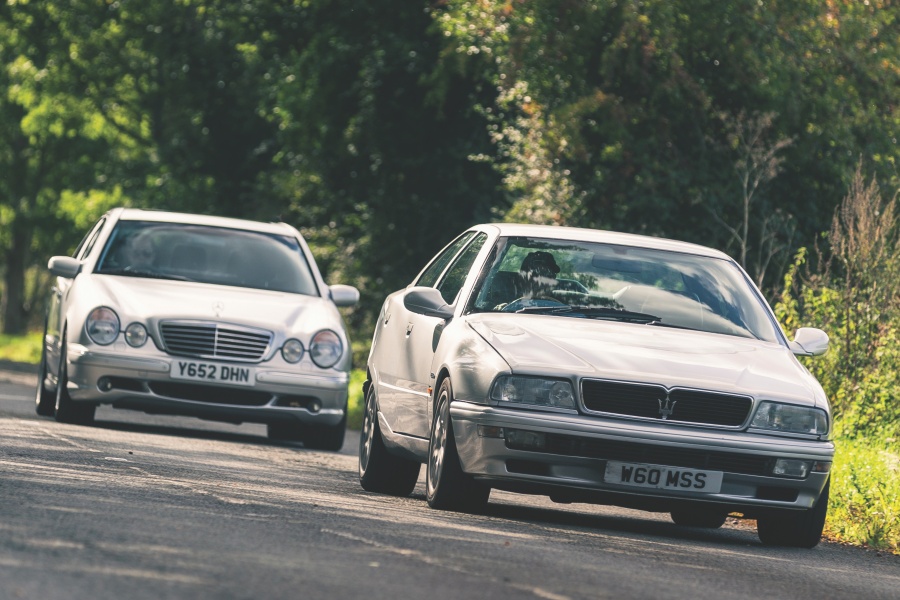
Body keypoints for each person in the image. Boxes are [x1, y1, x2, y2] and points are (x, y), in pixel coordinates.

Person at [495, 250, 564, 311]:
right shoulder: (503, 309)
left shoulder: (568, 310)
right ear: (522, 278)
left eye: (548, 276)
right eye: (535, 275)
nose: (541, 281)